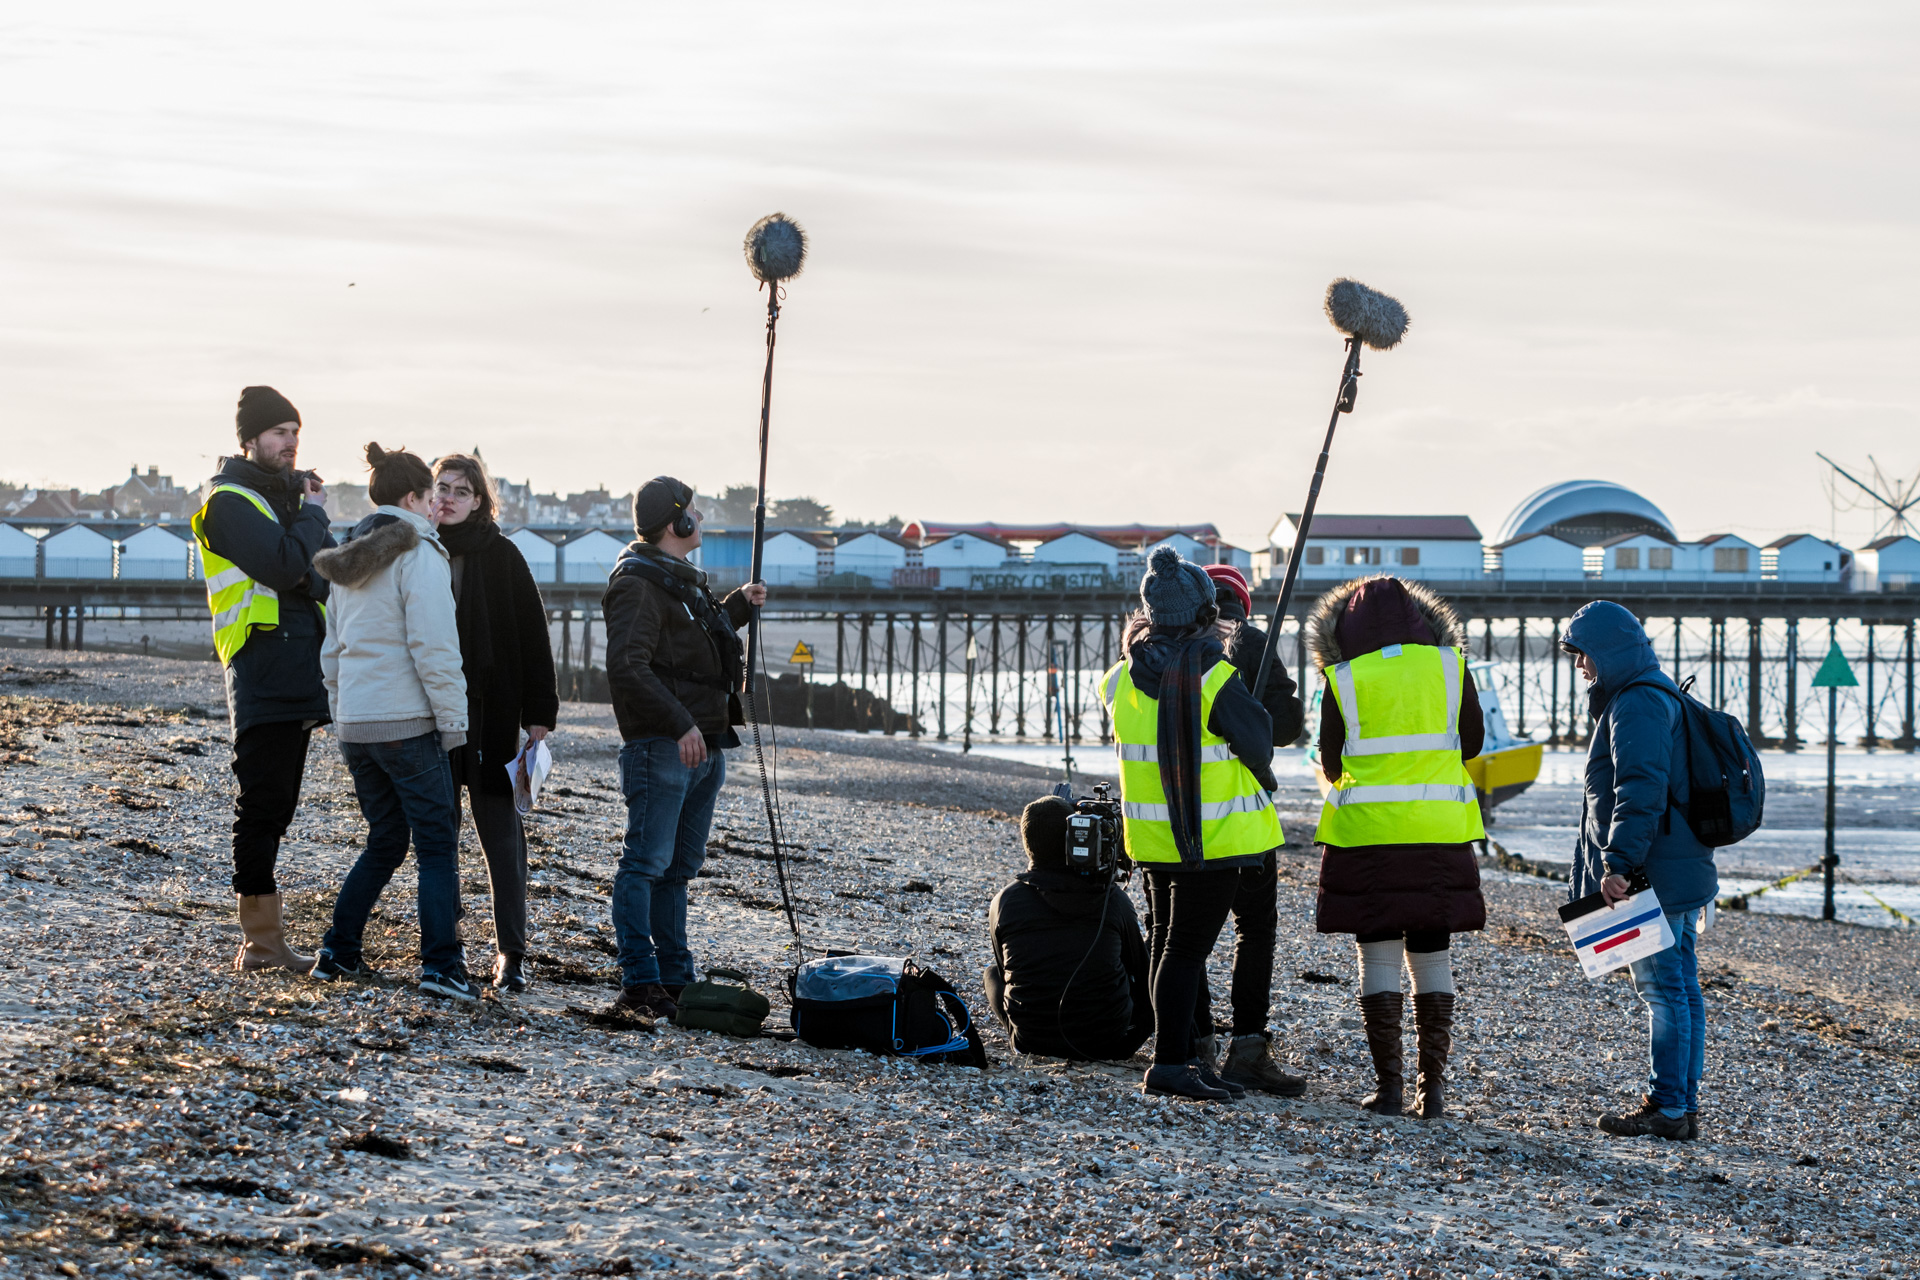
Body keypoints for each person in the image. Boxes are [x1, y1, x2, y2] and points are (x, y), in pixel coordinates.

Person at [1099, 546, 1283, 1102]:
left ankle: (1180, 1057)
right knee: (1184, 951)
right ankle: (1171, 1064)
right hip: (1210, 837)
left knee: (1168, 944)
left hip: (1151, 834)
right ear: (1205, 612)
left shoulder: (1118, 678)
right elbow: (1259, 743)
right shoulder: (1212, 676)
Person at [1308, 575, 1487, 1119]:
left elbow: (1330, 761)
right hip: (1439, 830)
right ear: (1421, 622)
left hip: (1367, 834)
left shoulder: (1345, 678)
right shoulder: (1451, 668)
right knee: (1432, 949)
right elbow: (1473, 743)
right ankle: (1432, 1092)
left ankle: (1388, 1089)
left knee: (1378, 950)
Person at [310, 444, 474, 1001]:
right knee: (436, 845)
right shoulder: (419, 552)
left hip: (358, 723)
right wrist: (453, 723)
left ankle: (338, 951)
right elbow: (434, 646)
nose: (435, 507)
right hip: (407, 723)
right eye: (431, 498)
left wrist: (342, 716)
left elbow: (332, 650)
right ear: (412, 498)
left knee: (384, 840)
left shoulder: (347, 560)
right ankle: (442, 967)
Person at [601, 477, 767, 1020]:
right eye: (695, 510)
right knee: (645, 865)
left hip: (705, 744)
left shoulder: (674, 579)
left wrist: (737, 606)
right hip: (665, 747)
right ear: (678, 522)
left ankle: (674, 978)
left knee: (676, 870)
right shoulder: (637, 583)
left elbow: (688, 641)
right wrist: (679, 725)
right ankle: (640, 982)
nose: (701, 518)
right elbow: (628, 666)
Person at [190, 386, 335, 973]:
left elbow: (324, 575)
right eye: (279, 432)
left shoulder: (287, 502)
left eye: (295, 432)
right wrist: (310, 526)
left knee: (279, 806)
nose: (291, 442)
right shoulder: (228, 501)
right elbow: (282, 565)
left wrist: (299, 558)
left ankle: (267, 941)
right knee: (261, 805)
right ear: (249, 439)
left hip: (299, 667)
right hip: (260, 666)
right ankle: (260, 944)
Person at [1563, 600, 1716, 1142]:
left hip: (1654, 872)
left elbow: (1639, 789)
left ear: (1607, 650)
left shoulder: (1638, 702)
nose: (1579, 665)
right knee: (1680, 987)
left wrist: (1618, 865)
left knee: (1662, 990)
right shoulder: (1657, 692)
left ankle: (1668, 1107)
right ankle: (1681, 1105)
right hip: (1679, 865)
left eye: (1583, 654)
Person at [430, 454, 560, 993]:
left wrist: (539, 717)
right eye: (441, 487)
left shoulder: (503, 555)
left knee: (502, 838)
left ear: (479, 501)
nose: (448, 498)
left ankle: (512, 952)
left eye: (461, 491)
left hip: (491, 714)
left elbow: (533, 636)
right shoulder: (420, 549)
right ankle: (447, 944)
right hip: (432, 713)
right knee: (439, 833)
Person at [1189, 563, 1308, 1096]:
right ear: (1243, 604)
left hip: (1174, 814)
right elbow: (1287, 728)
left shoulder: (1163, 645)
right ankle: (1248, 1049)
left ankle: (1193, 1043)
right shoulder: (1253, 642)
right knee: (1254, 930)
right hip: (1243, 815)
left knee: (1181, 935)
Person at [984, 796, 1152, 1061]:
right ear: (1074, 838)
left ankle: (1020, 1033)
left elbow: (1005, 971)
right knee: (1158, 967)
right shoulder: (1111, 899)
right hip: (1112, 1044)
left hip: (1031, 1041)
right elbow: (1141, 974)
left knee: (992, 974)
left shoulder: (1004, 901)